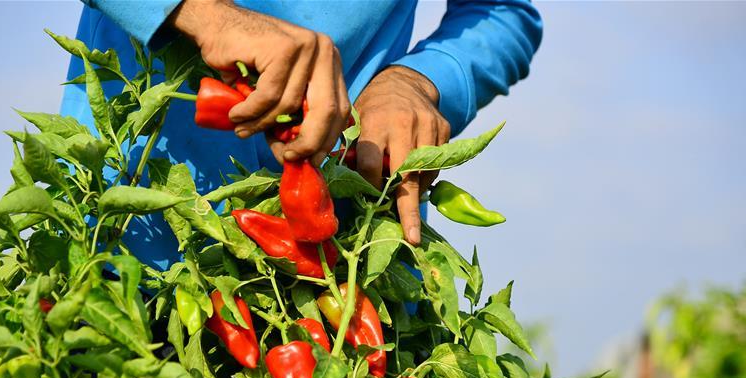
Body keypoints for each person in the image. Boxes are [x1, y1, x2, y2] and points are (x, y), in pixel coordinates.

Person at [61, 0, 542, 264]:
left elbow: (501, 12)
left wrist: (418, 80)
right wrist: (203, 13)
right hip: (123, 242)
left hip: (344, 265)